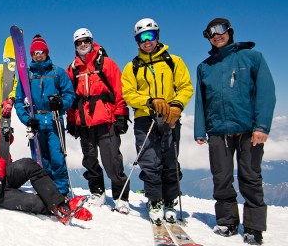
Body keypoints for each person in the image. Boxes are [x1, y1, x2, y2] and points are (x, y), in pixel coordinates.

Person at [194, 18, 275, 245]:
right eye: (210, 33)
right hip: (218, 130)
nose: (216, 36)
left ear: (230, 31)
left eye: (220, 30)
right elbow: (201, 101)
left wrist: (262, 127)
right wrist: (200, 130)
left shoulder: (252, 58)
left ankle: (254, 228)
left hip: (248, 130)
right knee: (221, 178)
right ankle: (227, 221)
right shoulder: (205, 67)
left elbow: (266, 93)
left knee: (250, 177)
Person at [121, 18, 193, 225]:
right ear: (137, 41)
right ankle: (154, 201)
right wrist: (149, 101)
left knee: (170, 161)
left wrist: (177, 105)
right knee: (150, 162)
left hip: (169, 118)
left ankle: (169, 200)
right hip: (145, 119)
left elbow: (185, 86)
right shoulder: (132, 67)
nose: (147, 41)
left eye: (150, 35)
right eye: (142, 37)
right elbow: (128, 94)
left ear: (157, 36)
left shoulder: (174, 61)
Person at [66, 28, 131, 212]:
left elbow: (119, 90)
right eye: (79, 42)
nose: (83, 45)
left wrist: (121, 114)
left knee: (112, 160)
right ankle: (97, 192)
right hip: (84, 122)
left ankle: (120, 197)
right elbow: (71, 98)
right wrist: (71, 120)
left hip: (106, 119)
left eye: (86, 41)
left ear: (92, 41)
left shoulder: (107, 64)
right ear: (75, 46)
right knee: (90, 160)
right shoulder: (73, 69)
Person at [14, 35, 75, 196]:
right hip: (36, 121)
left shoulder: (57, 72)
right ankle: (46, 191)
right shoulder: (26, 76)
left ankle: (61, 191)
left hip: (54, 119)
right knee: (42, 160)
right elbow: (19, 100)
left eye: (41, 52)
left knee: (57, 157)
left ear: (46, 53)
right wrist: (27, 119)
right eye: (35, 53)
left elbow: (69, 94)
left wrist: (61, 103)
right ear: (31, 55)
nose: (38, 55)